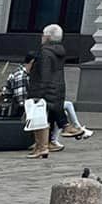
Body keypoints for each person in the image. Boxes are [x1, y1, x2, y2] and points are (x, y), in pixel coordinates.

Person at [23, 23, 67, 160]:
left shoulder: (45, 52)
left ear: (47, 36)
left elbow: (44, 74)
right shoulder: (58, 52)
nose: (41, 37)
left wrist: (38, 93)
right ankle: (42, 146)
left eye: (43, 34)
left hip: (43, 89)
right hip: (56, 88)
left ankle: (41, 147)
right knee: (44, 118)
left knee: (38, 119)